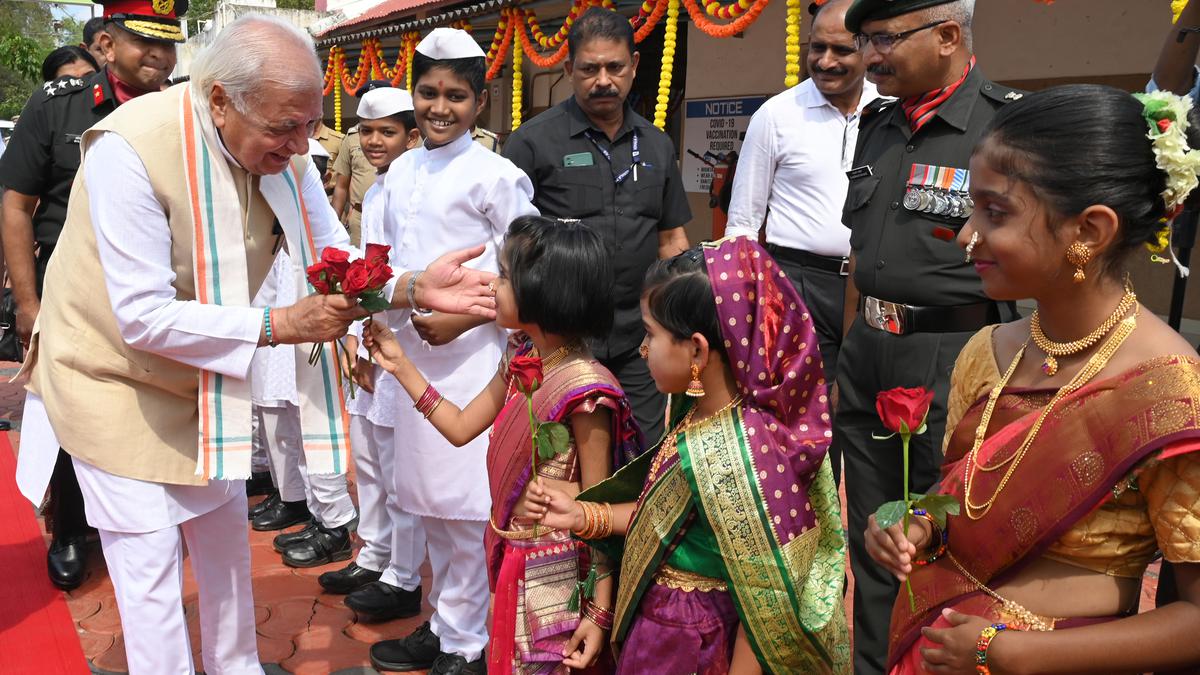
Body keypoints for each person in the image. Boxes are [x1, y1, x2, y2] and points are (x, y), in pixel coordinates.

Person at [11, 14, 501, 674]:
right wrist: (280, 325)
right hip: (114, 379)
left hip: (205, 378)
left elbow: (337, 257)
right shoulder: (128, 151)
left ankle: (235, 664)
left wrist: (414, 286)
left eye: (308, 124)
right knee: (152, 570)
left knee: (224, 546)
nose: (302, 144)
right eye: (283, 127)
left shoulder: (283, 148)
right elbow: (143, 317)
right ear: (220, 100)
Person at [865, 84, 1200, 675]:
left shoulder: (1170, 391)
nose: (967, 236)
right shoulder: (986, 352)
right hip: (941, 651)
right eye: (972, 210)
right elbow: (965, 508)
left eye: (995, 214)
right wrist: (914, 527)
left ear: (1089, 232)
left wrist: (1013, 650)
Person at [531, 238, 850, 673]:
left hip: (694, 643)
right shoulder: (698, 414)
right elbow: (665, 514)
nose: (642, 350)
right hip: (666, 629)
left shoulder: (736, 456)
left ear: (697, 350)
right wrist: (585, 516)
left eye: (650, 334)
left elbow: (765, 611)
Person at [833, 2, 1025, 671]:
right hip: (868, 350)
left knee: (948, 539)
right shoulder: (879, 124)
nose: (869, 56)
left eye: (884, 38)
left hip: (953, 357)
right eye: (866, 39)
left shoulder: (1004, 124)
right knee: (875, 539)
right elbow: (862, 253)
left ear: (948, 36)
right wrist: (850, 347)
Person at [365, 215, 642, 673]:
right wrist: (400, 365)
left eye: (506, 276)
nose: (493, 285)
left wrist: (598, 612)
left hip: (560, 582)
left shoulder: (587, 390)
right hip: (514, 556)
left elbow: (601, 514)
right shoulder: (522, 356)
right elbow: (459, 427)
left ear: (545, 292)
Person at [364, 28, 539, 675]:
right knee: (423, 497)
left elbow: (527, 274)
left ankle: (470, 641)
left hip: (471, 358)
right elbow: (380, 264)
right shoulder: (399, 170)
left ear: (480, 99)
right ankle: (444, 621)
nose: (440, 107)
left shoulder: (498, 176)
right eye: (429, 92)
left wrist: (463, 323)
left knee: (467, 507)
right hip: (407, 357)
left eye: (456, 95)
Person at [0, 0, 183, 592]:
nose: (159, 55)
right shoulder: (59, 107)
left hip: (158, 295)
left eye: (168, 43)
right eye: (144, 42)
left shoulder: (183, 110)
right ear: (106, 45)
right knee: (69, 412)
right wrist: (28, 304)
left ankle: (148, 521)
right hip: (71, 294)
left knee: (150, 409)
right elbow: (16, 206)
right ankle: (73, 530)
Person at [503, 7, 692, 443]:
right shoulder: (532, 143)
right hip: (558, 339)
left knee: (644, 450)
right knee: (559, 456)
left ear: (634, 67)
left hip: (639, 341)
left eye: (614, 67)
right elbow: (508, 246)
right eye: (589, 69)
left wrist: (682, 318)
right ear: (569, 69)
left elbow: (671, 239)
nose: (603, 79)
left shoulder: (658, 145)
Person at [724, 0, 880, 480]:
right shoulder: (778, 115)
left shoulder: (891, 111)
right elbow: (743, 224)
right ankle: (805, 534)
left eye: (841, 49)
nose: (826, 61)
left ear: (869, 51)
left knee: (872, 415)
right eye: (817, 48)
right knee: (804, 426)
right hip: (797, 286)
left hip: (873, 286)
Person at [320, 86, 424, 600]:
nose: (375, 141)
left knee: (397, 460)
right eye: (366, 131)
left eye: (388, 131)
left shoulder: (416, 187)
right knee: (369, 454)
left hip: (405, 337)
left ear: (412, 135)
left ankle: (403, 575)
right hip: (375, 331)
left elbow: (395, 273)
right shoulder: (379, 188)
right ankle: (376, 553)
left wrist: (368, 344)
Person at [331, 79, 389, 246]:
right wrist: (335, 225)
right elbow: (341, 185)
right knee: (361, 267)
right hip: (359, 217)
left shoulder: (405, 134)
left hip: (394, 215)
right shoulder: (351, 138)